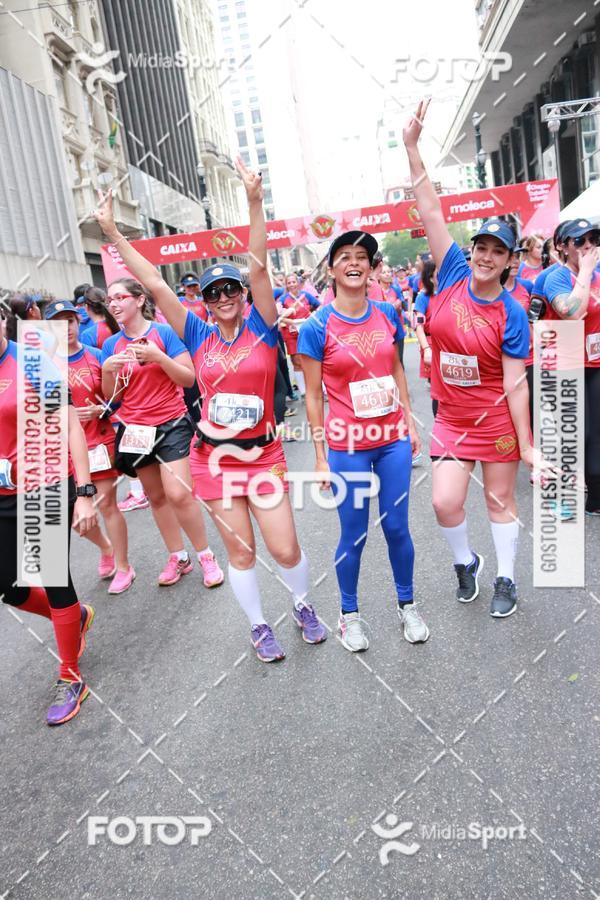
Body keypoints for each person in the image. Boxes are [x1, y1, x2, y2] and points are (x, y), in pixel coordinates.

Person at [93, 163, 327, 661]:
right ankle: (260, 627)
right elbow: (154, 283)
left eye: (230, 290)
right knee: (241, 552)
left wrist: (254, 203)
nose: (222, 297)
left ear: (243, 296)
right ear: (203, 300)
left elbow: (259, 264)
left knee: (285, 549)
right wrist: (112, 233)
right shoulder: (195, 333)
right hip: (212, 460)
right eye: (212, 292)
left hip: (262, 456)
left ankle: (303, 605)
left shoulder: (262, 327)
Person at [403, 99, 532, 619]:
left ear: (509, 260)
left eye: (496, 251)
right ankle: (467, 562)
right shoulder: (453, 271)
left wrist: (525, 444)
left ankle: (506, 577)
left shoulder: (512, 312)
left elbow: (517, 384)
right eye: (481, 245)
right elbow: (432, 209)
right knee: (443, 502)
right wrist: (412, 149)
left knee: (499, 501)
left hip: (495, 419)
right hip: (452, 418)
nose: (484, 255)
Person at [298, 229, 428, 651]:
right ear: (332, 268)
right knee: (353, 534)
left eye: (363, 257)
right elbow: (313, 397)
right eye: (345, 257)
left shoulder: (388, 313)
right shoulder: (316, 326)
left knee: (396, 527)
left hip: (390, 439)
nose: (354, 263)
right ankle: (349, 614)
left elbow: (396, 372)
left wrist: (409, 422)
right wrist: (320, 456)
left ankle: (406, 605)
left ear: (372, 268)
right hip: (348, 444)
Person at [0, 304, 97, 725]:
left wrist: (85, 493)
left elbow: (71, 424)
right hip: (3, 492)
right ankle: (77, 618)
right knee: (9, 585)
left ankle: (70, 674)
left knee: (53, 575)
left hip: (46, 479)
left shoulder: (33, 358)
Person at [97, 277, 224, 589]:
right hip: (135, 430)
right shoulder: (110, 346)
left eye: (120, 297)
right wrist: (107, 370)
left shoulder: (163, 333)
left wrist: (158, 357)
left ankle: (206, 555)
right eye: (109, 299)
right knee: (155, 497)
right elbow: (111, 397)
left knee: (179, 493)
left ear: (140, 300)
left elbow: (188, 377)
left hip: (172, 423)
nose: (113, 304)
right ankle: (178, 556)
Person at [45, 299, 134, 594]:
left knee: (106, 504)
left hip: (98, 440)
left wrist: (101, 410)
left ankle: (124, 566)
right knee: (73, 515)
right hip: (61, 450)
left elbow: (117, 397)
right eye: (59, 322)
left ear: (77, 323)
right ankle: (105, 547)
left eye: (70, 320)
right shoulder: (41, 364)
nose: (66, 327)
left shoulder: (97, 355)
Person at [545, 218, 600, 516]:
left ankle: (595, 498)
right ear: (562, 247)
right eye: (579, 241)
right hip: (563, 364)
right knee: (573, 434)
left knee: (595, 434)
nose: (588, 245)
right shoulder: (555, 278)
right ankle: (558, 497)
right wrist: (587, 270)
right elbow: (572, 312)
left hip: (594, 361)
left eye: (592, 238)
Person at [278, 272, 320, 397]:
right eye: (289, 283)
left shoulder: (306, 295)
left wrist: (311, 318)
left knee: (312, 357)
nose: (291, 285)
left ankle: (317, 387)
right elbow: (277, 315)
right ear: (286, 285)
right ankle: (303, 391)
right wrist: (290, 321)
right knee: (297, 361)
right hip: (291, 334)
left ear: (298, 283)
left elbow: (320, 306)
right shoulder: (282, 299)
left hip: (307, 330)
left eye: (293, 282)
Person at [413, 258, 437, 414]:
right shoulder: (423, 297)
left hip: (452, 346)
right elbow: (418, 325)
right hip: (432, 345)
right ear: (430, 277)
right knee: (438, 392)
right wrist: (426, 348)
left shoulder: (451, 292)